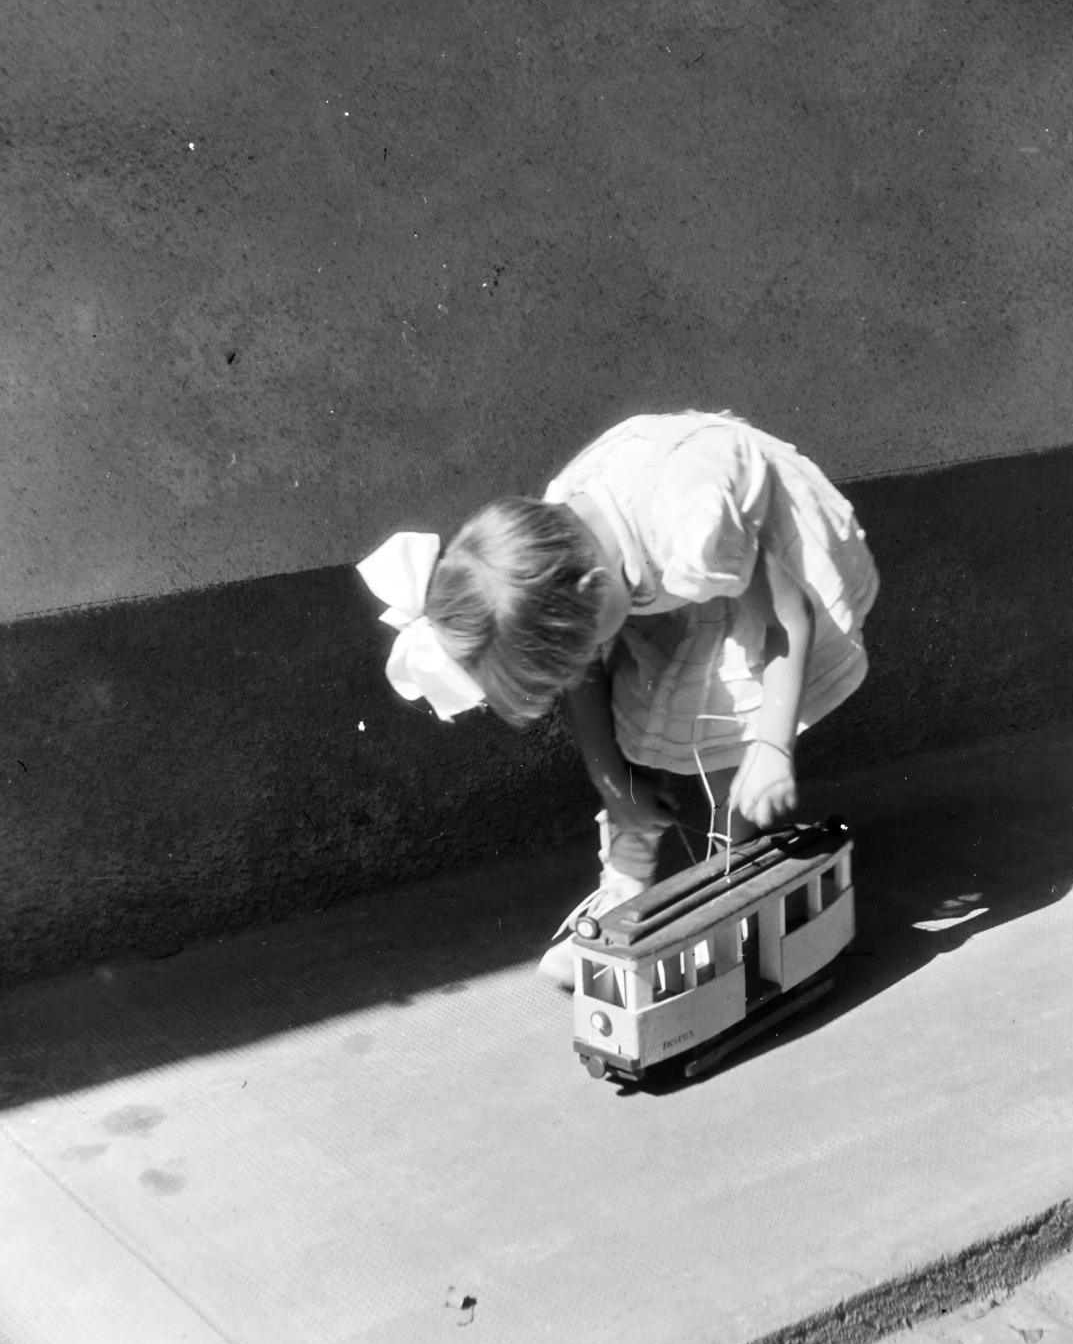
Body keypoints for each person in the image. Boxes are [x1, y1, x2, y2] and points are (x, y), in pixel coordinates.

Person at [357, 410, 878, 988]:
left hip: (752, 556)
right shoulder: (562, 553)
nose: (584, 660)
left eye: (582, 643)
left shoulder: (693, 529)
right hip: (659, 564)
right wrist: (614, 783)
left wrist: (773, 747)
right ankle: (626, 890)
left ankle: (729, 885)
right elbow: (584, 674)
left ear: (593, 589)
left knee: (734, 713)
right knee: (642, 702)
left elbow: (785, 621)